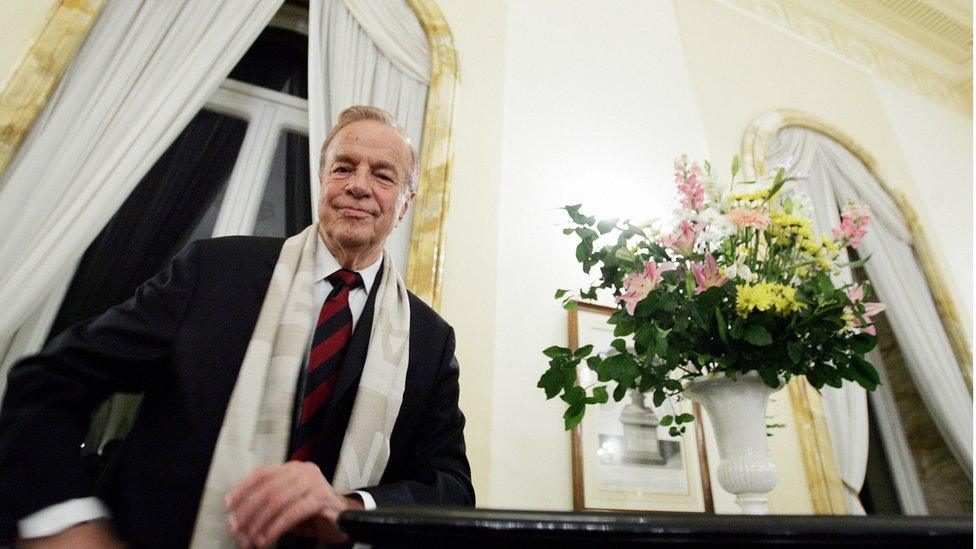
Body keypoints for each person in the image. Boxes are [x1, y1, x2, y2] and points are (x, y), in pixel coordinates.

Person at [0, 106, 474, 548]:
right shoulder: (215, 270)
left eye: (383, 175)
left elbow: (449, 487)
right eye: (343, 167)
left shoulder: (428, 339)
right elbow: (50, 380)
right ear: (322, 181)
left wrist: (352, 508)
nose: (358, 185)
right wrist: (62, 517)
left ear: (406, 204)